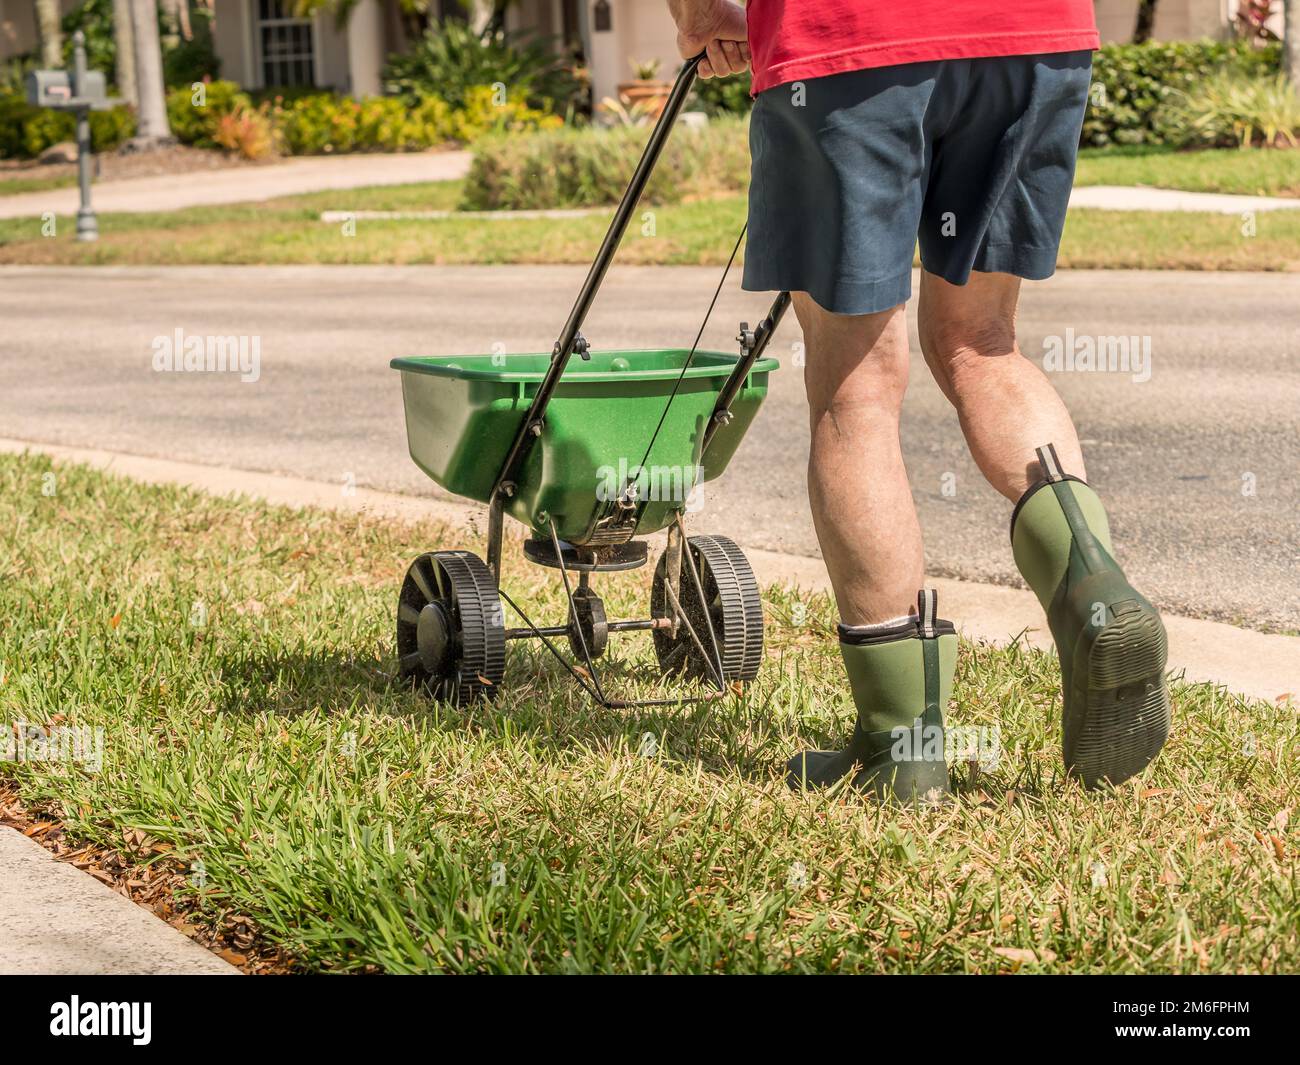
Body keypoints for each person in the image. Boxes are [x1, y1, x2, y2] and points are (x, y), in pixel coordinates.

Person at [664, 0, 1171, 799]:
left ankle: (903, 743)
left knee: (854, 384)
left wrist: (704, 16)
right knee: (982, 340)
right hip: (1034, 35)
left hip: (852, 39)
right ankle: (1094, 591)